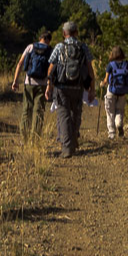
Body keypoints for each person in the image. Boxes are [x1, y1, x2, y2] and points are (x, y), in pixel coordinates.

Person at [44, 21, 95, 158]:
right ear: (76, 32)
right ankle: (73, 141)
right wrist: (92, 89)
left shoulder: (59, 47)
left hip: (61, 86)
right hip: (78, 86)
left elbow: (51, 67)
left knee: (64, 115)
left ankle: (67, 148)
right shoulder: (83, 47)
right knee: (75, 113)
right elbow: (90, 69)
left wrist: (49, 86)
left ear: (64, 33)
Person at [11, 30, 52, 141]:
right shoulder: (50, 50)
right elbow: (51, 70)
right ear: (48, 40)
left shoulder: (30, 47)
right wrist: (49, 85)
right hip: (42, 85)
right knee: (39, 112)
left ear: (40, 38)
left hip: (28, 82)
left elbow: (20, 63)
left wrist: (15, 81)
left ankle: (24, 139)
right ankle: (35, 141)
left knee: (27, 110)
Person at [99, 46, 128, 139]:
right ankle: (119, 123)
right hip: (122, 91)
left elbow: (106, 80)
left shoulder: (110, 65)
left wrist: (102, 84)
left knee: (110, 112)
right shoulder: (127, 64)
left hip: (111, 91)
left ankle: (111, 133)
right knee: (119, 111)